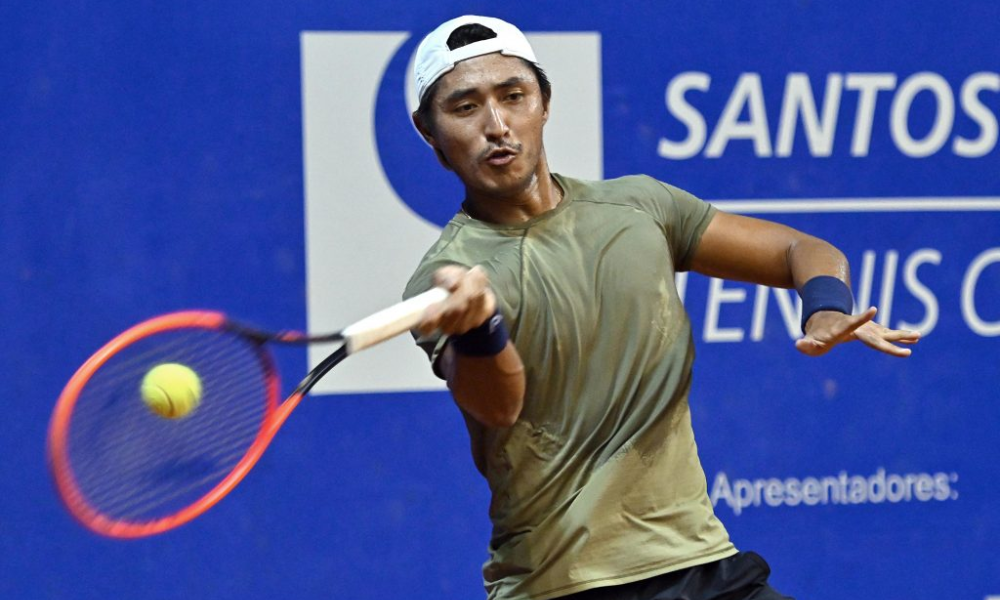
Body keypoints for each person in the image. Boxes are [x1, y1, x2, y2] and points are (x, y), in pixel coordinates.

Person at [402, 15, 920, 600]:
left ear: (543, 103)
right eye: (465, 108)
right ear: (431, 133)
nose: (497, 125)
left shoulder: (639, 206)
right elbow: (498, 406)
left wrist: (824, 308)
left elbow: (802, 250)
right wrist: (479, 331)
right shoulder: (444, 280)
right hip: (566, 585)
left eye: (513, 96)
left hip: (702, 563)